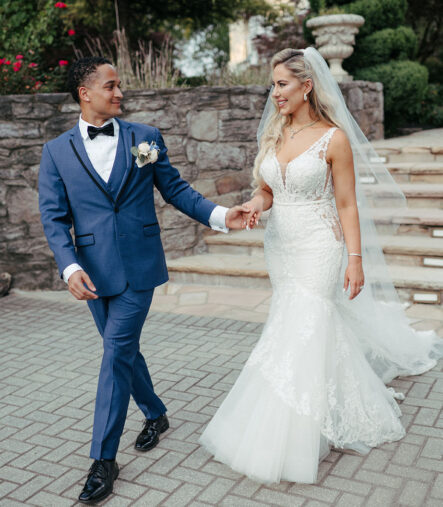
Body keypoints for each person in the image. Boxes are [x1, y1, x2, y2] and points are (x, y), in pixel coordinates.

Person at [199, 47, 443, 484]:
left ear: (306, 85)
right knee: (301, 325)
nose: (274, 94)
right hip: (282, 246)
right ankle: (329, 401)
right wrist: (253, 204)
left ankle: (287, 436)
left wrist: (355, 260)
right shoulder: (274, 134)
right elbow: (268, 189)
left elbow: (347, 203)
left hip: (321, 247)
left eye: (282, 84)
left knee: (301, 325)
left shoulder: (334, 138)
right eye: (272, 85)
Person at [38, 56, 248, 504]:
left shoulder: (145, 138)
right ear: (85, 93)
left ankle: (103, 460)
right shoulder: (56, 152)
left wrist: (221, 216)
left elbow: (175, 189)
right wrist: (70, 267)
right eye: (110, 86)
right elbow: (54, 217)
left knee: (114, 353)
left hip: (138, 267)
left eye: (120, 87)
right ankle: (155, 413)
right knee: (124, 351)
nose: (119, 94)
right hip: (92, 272)